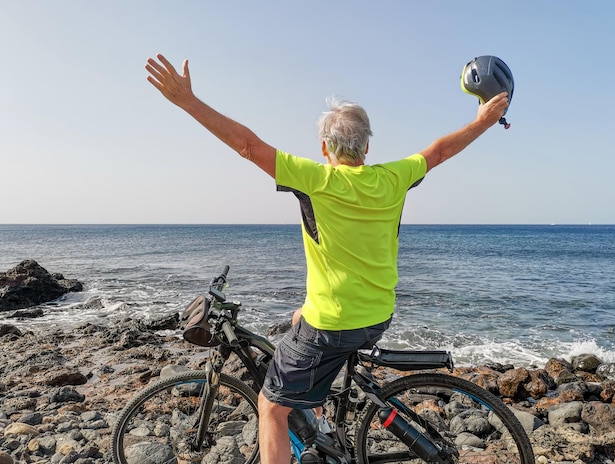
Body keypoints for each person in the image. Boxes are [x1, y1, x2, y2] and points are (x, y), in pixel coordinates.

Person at [145, 53, 509, 464]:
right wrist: (482, 120)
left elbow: (247, 145)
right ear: (368, 146)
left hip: (335, 324)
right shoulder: (393, 177)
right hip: (378, 314)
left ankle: (305, 426)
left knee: (270, 407)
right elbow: (440, 151)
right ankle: (318, 435)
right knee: (301, 318)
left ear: (324, 148)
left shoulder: (315, 179)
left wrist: (188, 101)